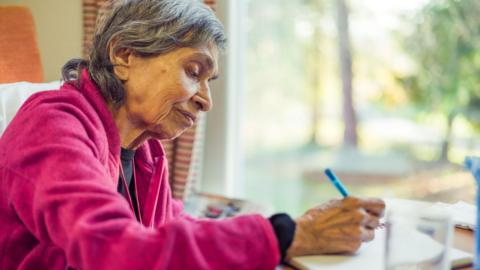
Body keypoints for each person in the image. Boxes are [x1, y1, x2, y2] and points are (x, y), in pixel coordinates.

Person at [0, 0, 385, 269]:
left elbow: (173, 230)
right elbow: (114, 252)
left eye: (209, 80)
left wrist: (294, 226)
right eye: (193, 72)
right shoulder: (53, 126)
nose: (206, 101)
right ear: (124, 56)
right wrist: (287, 237)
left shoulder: (144, 152)